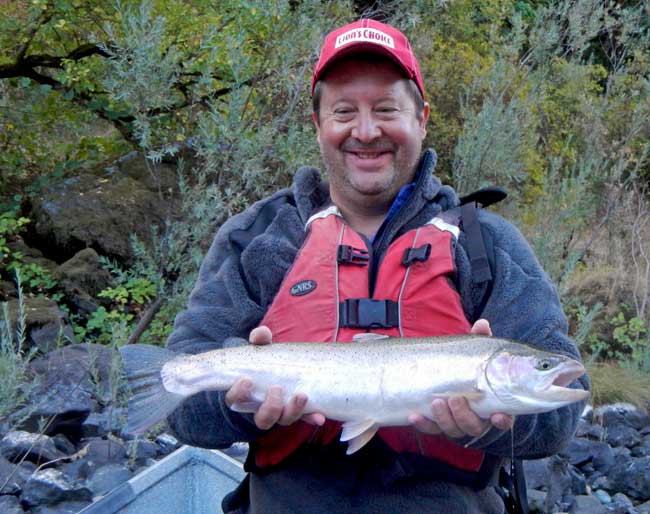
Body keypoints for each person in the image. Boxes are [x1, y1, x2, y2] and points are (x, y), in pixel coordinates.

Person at [165, 19, 589, 514]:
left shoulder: (484, 243)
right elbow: (181, 406)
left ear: (422, 118)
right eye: (344, 111)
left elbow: (566, 411)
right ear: (318, 124)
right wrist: (237, 409)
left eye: (386, 109)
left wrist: (498, 425)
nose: (366, 132)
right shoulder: (256, 238)